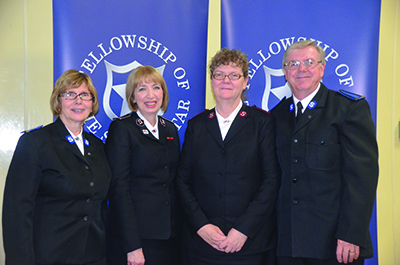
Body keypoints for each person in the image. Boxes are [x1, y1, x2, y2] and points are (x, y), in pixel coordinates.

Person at [271, 40, 379, 265]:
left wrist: (351, 234)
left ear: (322, 68)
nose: (301, 69)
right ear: (284, 72)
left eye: (309, 62)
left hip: (334, 244)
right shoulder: (276, 116)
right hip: (288, 244)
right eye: (293, 64)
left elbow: (362, 179)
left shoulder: (348, 109)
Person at [175, 48, 281, 265]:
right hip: (202, 244)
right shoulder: (197, 125)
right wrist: (201, 226)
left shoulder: (262, 123)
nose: (226, 80)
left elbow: (271, 180)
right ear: (212, 80)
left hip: (250, 244)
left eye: (234, 75)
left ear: (245, 82)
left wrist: (243, 230)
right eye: (219, 75)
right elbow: (183, 180)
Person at [2, 69, 111, 265]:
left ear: (92, 102)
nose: (78, 101)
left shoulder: (99, 147)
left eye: (85, 95)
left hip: (94, 257)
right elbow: (16, 212)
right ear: (58, 102)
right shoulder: (35, 143)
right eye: (70, 94)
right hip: (50, 256)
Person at [105, 65, 182, 265]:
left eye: (156, 87)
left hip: (171, 235)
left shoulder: (169, 128)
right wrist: (132, 245)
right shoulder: (122, 129)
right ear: (132, 97)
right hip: (139, 238)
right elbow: (118, 189)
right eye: (142, 89)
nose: (150, 95)